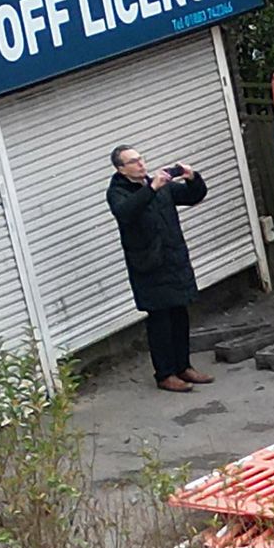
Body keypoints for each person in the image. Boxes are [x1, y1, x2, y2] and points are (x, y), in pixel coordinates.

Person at [108, 146, 214, 391]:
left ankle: (183, 366)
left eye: (141, 159)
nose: (140, 164)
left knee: (180, 314)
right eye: (133, 162)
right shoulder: (118, 192)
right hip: (148, 264)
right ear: (120, 169)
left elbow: (192, 196)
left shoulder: (157, 184)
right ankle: (164, 374)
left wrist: (192, 177)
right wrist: (151, 189)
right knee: (160, 319)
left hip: (172, 258)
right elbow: (125, 212)